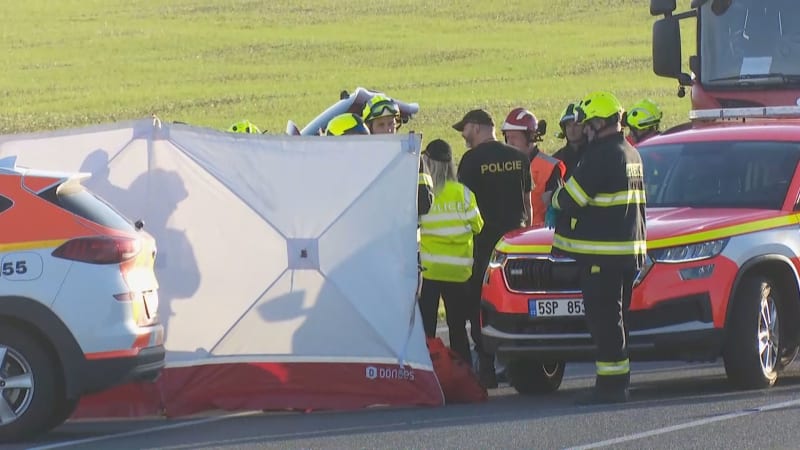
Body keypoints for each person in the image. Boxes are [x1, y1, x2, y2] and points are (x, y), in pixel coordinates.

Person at [549, 91, 647, 404]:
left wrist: (554, 199)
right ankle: (619, 381)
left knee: (604, 320)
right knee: (617, 319)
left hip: (601, 254)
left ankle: (610, 386)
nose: (585, 130)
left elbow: (571, 199)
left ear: (601, 123)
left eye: (588, 124)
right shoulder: (631, 152)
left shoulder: (601, 154)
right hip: (625, 253)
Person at [454, 109, 532, 388]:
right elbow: (528, 204)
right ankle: (517, 365)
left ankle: (485, 369)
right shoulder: (518, 157)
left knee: (479, 306)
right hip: (514, 246)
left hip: (483, 246)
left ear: (476, 127)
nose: (463, 136)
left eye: (465, 130)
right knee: (514, 303)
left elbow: (465, 205)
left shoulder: (471, 161)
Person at [418, 139, 483, 364]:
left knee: (427, 328)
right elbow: (478, 226)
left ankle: (427, 372)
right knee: (457, 327)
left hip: (429, 271)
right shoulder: (463, 193)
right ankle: (463, 372)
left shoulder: (422, 195)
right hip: (458, 271)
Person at [362, 95, 434, 216]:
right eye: (381, 125)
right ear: (369, 128)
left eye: (391, 123)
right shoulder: (362, 160)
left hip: (402, 231)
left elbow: (425, 204)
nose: (388, 130)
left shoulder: (413, 157)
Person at [501, 108, 565, 227]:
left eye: (514, 137)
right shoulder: (503, 165)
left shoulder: (550, 167)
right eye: (507, 137)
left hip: (539, 238)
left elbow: (557, 209)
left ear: (530, 137)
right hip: (512, 237)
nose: (509, 143)